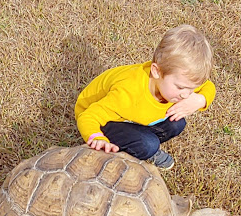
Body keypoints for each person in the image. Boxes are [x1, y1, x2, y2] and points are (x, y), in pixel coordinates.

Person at [74, 24, 216, 169]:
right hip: (105, 120)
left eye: (191, 89)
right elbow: (88, 116)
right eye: (180, 87)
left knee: (177, 123)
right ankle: (129, 148)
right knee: (148, 144)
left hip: (132, 115)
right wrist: (97, 138)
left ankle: (138, 142)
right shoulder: (128, 92)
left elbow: (208, 86)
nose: (186, 95)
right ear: (156, 72)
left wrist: (200, 100)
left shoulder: (180, 79)